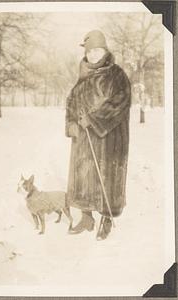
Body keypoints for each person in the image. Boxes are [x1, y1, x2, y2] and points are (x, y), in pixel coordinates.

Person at [65, 30, 131, 240]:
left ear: (105, 50)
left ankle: (106, 219)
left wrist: (93, 120)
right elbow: (71, 103)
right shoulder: (83, 76)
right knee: (84, 177)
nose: (93, 55)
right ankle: (87, 218)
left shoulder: (116, 74)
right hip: (84, 139)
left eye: (97, 50)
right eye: (89, 51)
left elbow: (120, 102)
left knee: (107, 179)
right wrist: (72, 123)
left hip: (109, 138)